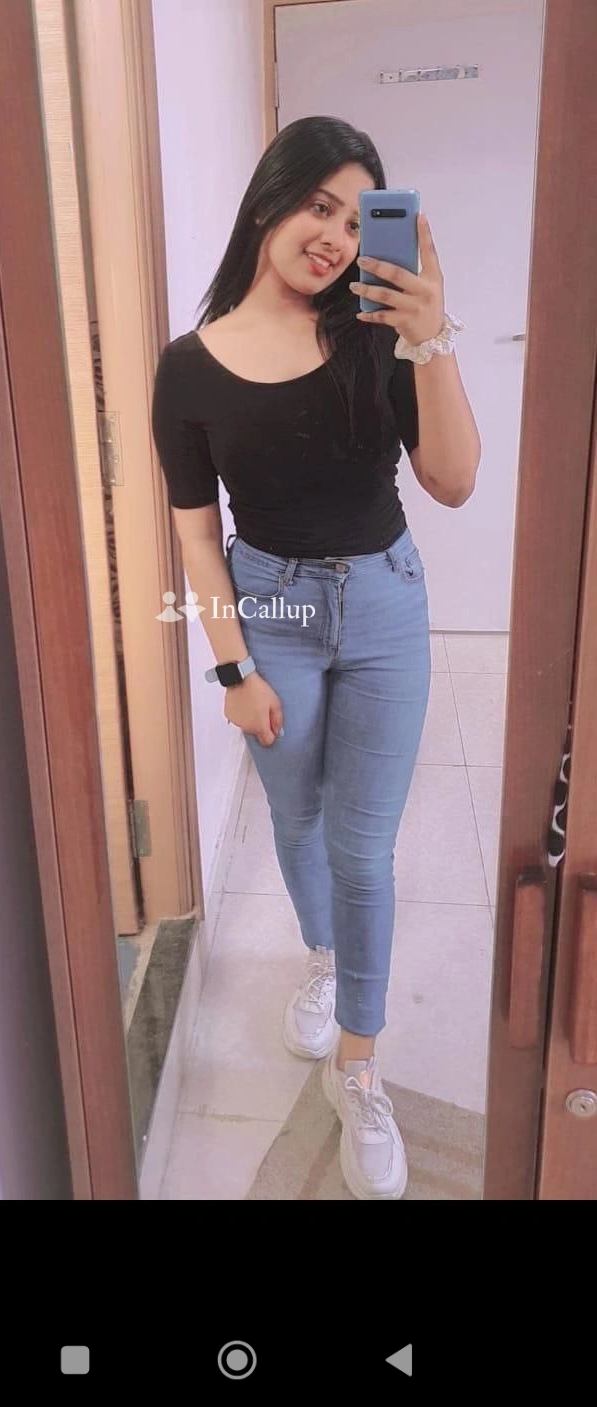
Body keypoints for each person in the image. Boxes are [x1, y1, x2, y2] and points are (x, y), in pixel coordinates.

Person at [151, 116, 480, 1200]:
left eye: (355, 215)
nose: (336, 235)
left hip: (383, 601)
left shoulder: (377, 335)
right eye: (318, 205)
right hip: (271, 609)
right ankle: (327, 960)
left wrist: (432, 337)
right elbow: (197, 535)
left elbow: (454, 482)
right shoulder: (187, 369)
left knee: (363, 847)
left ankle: (360, 1065)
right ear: (268, 201)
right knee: (295, 817)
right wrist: (232, 671)